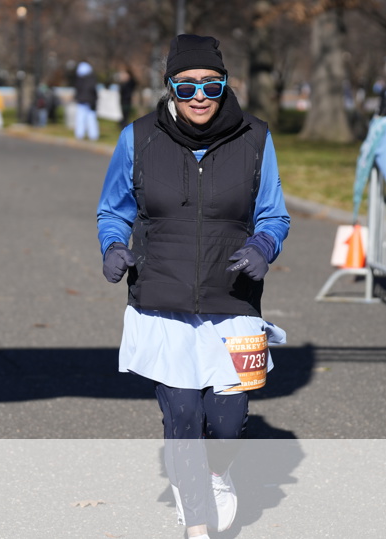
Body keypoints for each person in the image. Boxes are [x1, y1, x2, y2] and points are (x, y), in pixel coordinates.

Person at [97, 34, 290, 539]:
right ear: (169, 88)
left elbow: (274, 214)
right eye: (186, 87)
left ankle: (217, 473)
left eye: (211, 85)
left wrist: (263, 245)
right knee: (182, 413)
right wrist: (113, 245)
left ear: (225, 85)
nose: (199, 96)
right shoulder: (138, 138)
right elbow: (112, 210)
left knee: (227, 423)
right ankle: (197, 523)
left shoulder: (256, 138)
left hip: (234, 299)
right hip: (162, 299)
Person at [73, 61, 99, 140]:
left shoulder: (79, 80)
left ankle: (80, 134)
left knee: (81, 118)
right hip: (89, 101)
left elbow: (78, 91)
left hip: (82, 101)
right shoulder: (91, 79)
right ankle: (93, 135)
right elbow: (93, 91)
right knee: (90, 118)